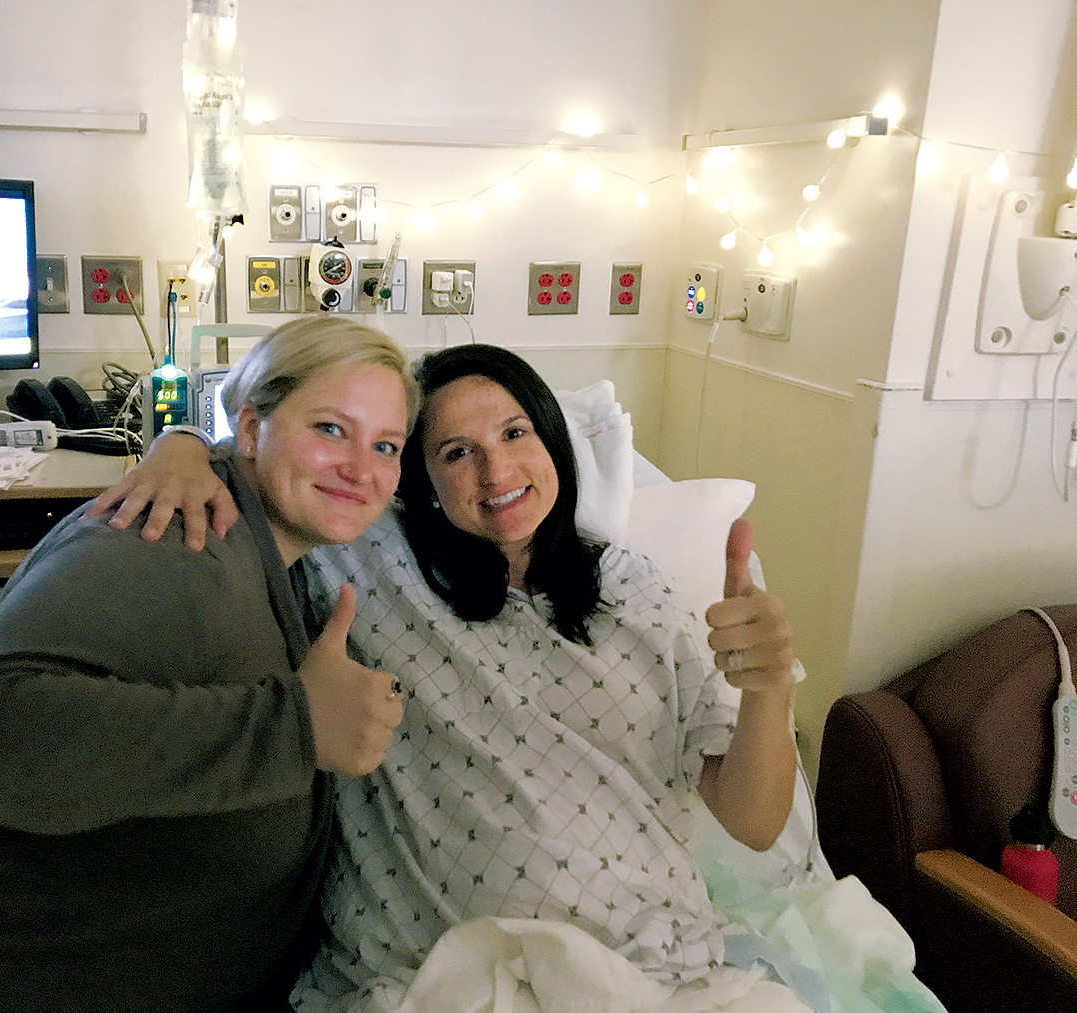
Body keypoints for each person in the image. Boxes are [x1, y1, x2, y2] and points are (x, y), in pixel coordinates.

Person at [0, 316, 420, 1013]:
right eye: (330, 428)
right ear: (249, 429)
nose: (362, 468)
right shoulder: (172, 540)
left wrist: (176, 440)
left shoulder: (280, 544)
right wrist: (293, 726)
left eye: (385, 444)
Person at [90, 344, 803, 1008]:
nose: (496, 473)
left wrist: (769, 689)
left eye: (516, 433)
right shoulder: (369, 556)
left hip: (653, 967)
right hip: (441, 977)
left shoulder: (633, 586)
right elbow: (266, 464)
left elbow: (755, 821)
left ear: (552, 437)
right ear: (421, 480)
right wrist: (178, 447)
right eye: (457, 452)